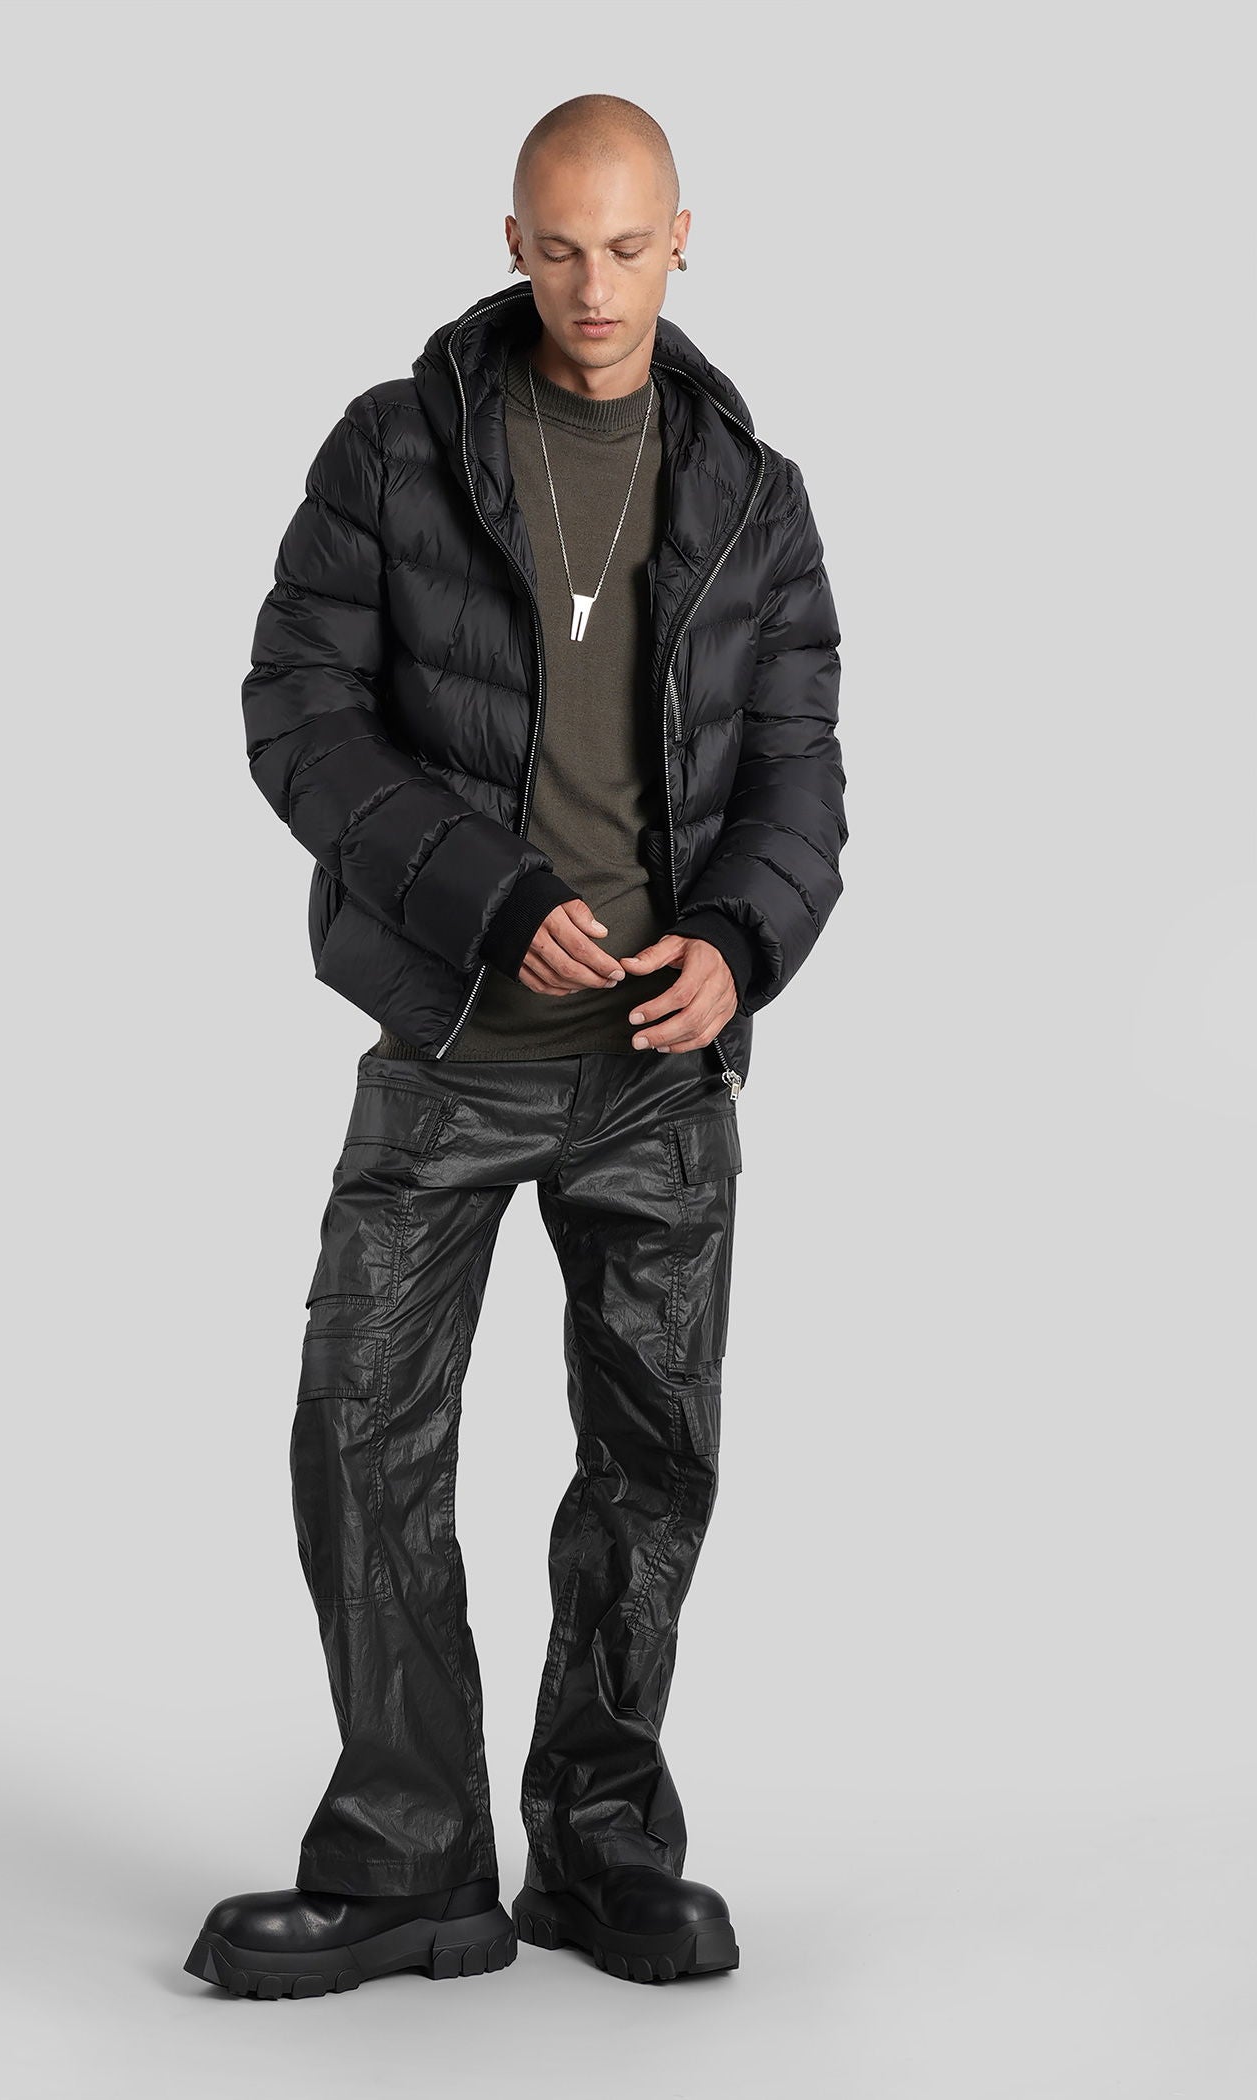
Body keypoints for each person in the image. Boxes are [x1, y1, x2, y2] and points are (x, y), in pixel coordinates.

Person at [184, 92, 846, 2000]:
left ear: (684, 236)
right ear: (511, 241)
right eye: (560, 248)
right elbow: (297, 713)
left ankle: (604, 1842)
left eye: (627, 247)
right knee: (360, 1427)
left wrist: (740, 944)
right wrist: (483, 891)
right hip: (458, 1038)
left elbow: (800, 772)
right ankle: (411, 1860)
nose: (595, 287)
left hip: (660, 1066)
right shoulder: (393, 450)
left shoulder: (756, 491)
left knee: (653, 1461)